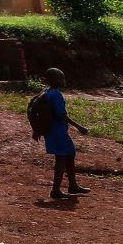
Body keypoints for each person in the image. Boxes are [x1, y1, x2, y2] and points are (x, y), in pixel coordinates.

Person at [35, 67, 91, 200]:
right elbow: (61, 115)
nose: (63, 80)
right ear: (54, 80)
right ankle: (55, 190)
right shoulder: (56, 95)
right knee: (61, 158)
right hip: (57, 131)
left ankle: (72, 185)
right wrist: (79, 126)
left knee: (70, 154)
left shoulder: (45, 93)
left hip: (53, 131)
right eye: (61, 78)